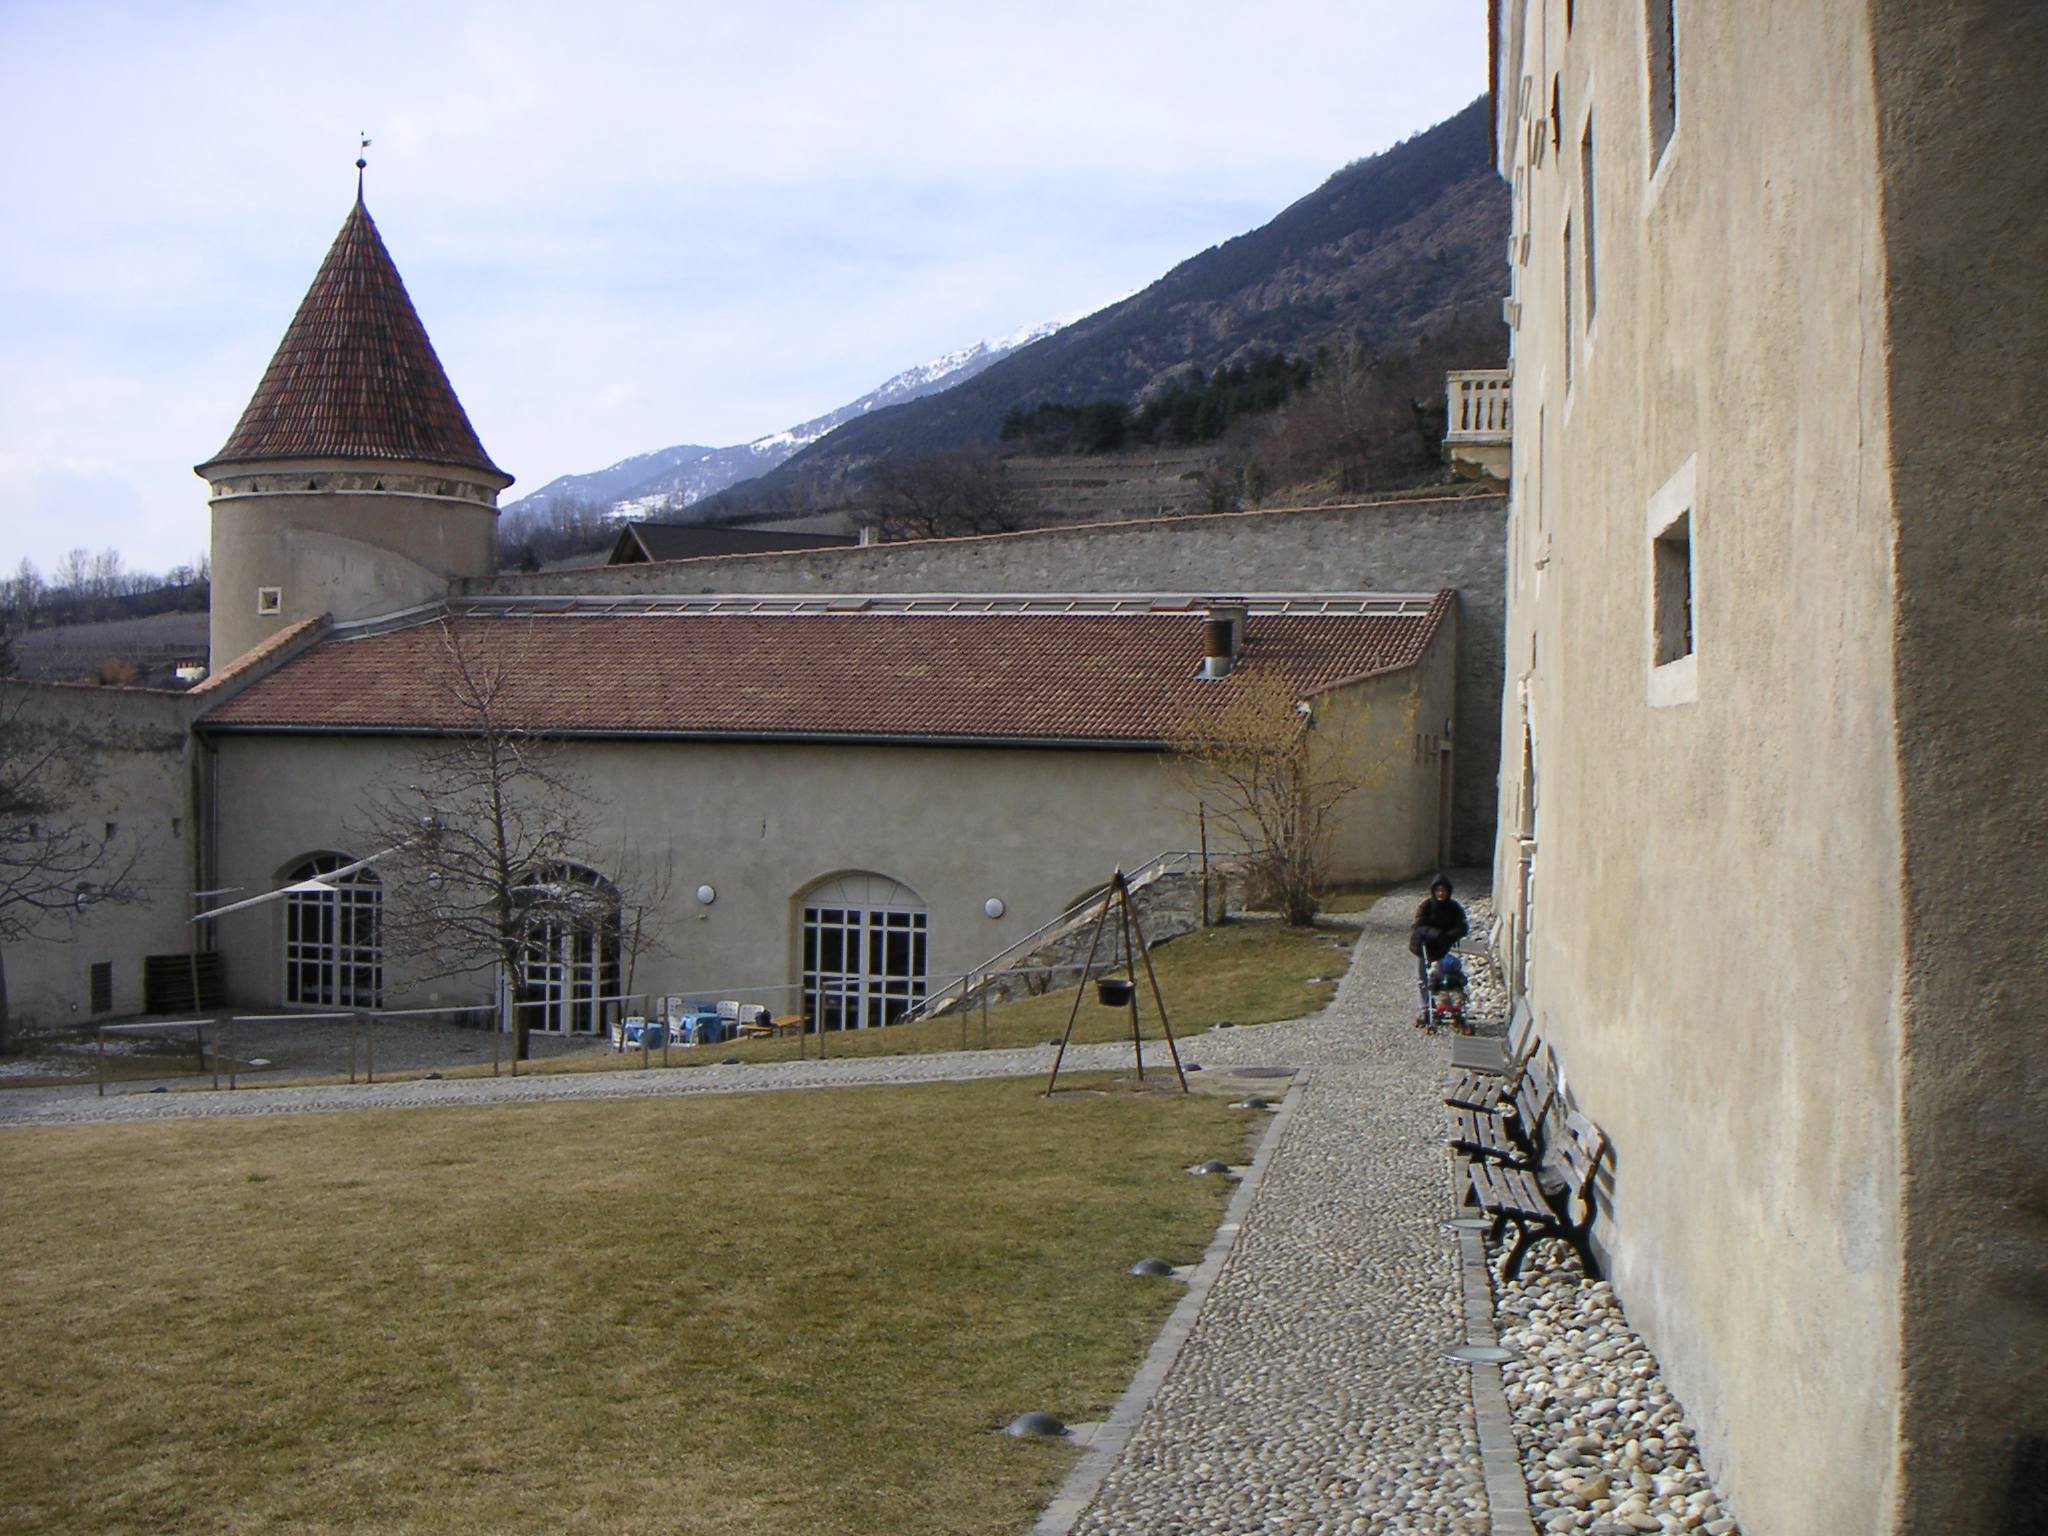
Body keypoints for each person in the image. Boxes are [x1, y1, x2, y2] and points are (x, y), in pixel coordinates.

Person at [1409, 876, 1468, 964]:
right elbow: (1419, 926)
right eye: (1438, 890)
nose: (1441, 893)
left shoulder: (1454, 907)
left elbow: (1462, 926)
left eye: (1444, 890)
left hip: (1444, 946)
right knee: (1424, 970)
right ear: (1433, 891)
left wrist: (1449, 936)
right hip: (1422, 947)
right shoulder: (1426, 905)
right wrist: (1437, 934)